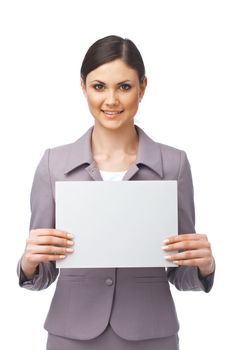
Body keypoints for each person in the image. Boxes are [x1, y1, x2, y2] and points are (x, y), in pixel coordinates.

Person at [17, 35, 215, 350]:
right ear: (83, 87)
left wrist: (204, 266)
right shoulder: (53, 164)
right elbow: (41, 275)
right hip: (71, 336)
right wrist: (28, 262)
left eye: (124, 87)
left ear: (143, 88)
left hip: (151, 335)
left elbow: (182, 275)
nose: (111, 100)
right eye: (99, 87)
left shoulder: (174, 164)